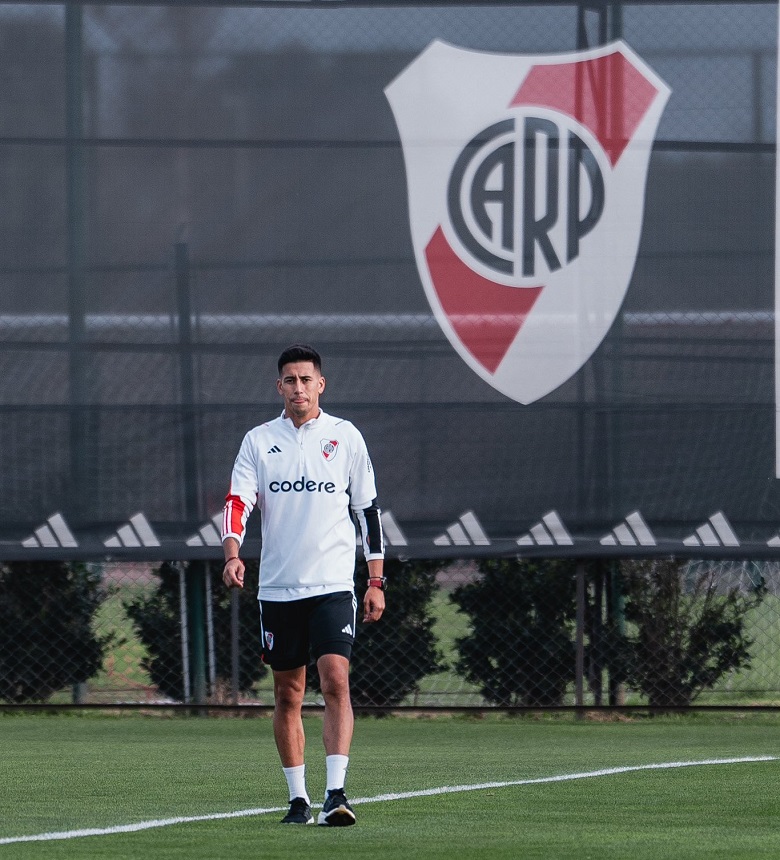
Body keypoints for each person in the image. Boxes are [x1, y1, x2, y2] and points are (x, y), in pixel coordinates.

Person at [221, 343, 386, 827]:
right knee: (288, 694)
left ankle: (336, 793)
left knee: (335, 680)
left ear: (321, 385)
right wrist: (232, 554)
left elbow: (367, 511)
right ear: (280, 387)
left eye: (306, 380)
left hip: (333, 584)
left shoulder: (345, 436)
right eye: (290, 380)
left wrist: (375, 579)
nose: (299, 388)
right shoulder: (258, 441)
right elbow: (238, 501)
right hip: (278, 588)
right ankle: (298, 799)